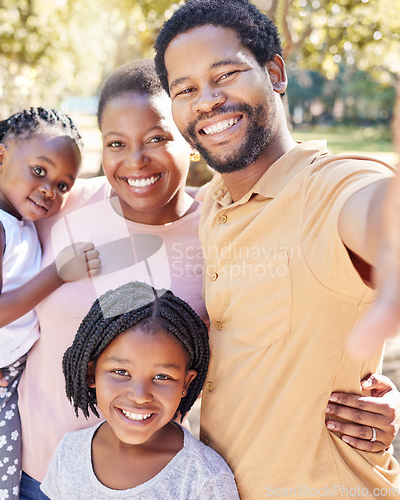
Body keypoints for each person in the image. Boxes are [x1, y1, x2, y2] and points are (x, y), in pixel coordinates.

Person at [0, 61, 399, 498]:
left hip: (152, 486)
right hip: (25, 476)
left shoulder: (221, 228)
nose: (135, 161)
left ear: (189, 139)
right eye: (116, 143)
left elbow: (281, 331)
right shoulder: (61, 207)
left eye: (157, 137)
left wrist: (373, 395)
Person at [154, 0, 400, 497]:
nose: (206, 101)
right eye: (186, 89)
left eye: (226, 74)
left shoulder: (330, 189)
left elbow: (376, 215)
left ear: (274, 72)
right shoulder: (210, 207)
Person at [0, 107, 100, 500]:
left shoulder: (19, 222)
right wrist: (59, 273)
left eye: (64, 185)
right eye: (40, 171)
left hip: (15, 367)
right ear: (0, 158)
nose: (49, 190)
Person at [40, 281, 239, 499]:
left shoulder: (204, 479)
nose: (140, 395)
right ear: (92, 373)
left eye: (162, 377)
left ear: (186, 383)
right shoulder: (69, 453)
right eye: (121, 372)